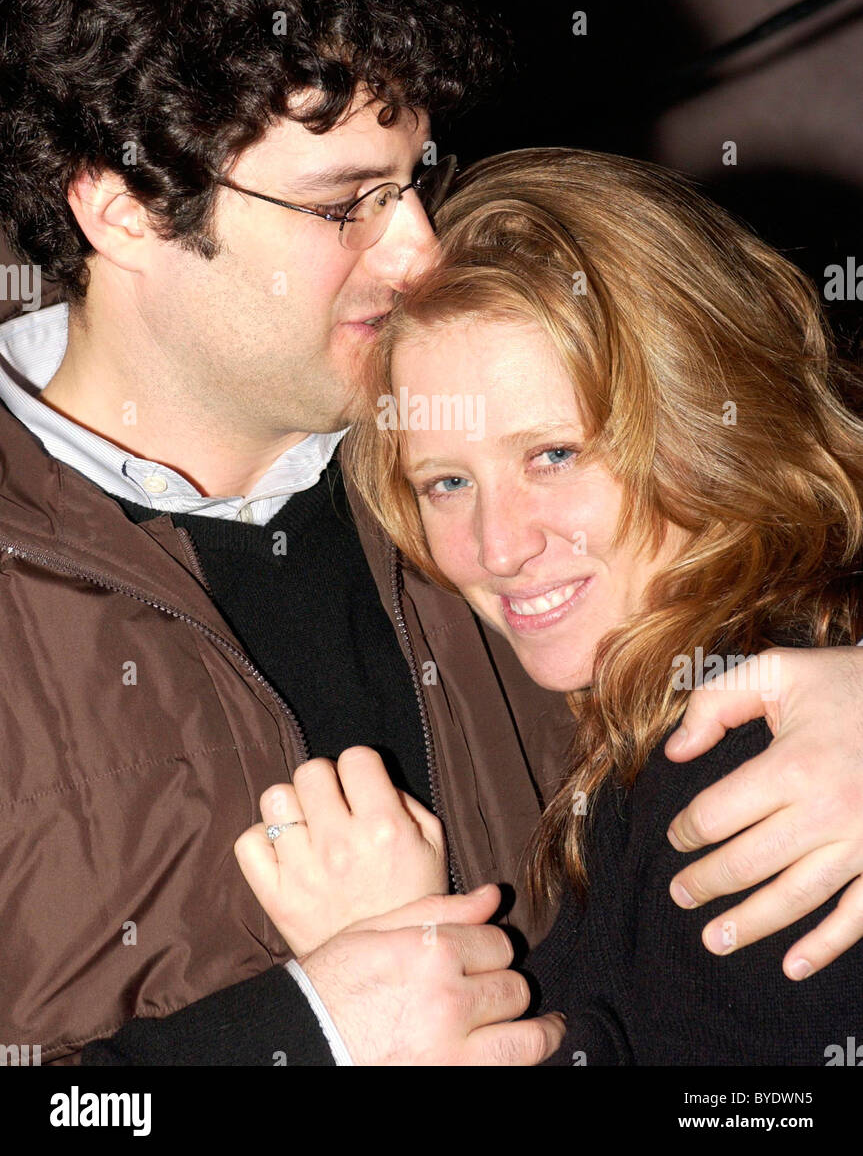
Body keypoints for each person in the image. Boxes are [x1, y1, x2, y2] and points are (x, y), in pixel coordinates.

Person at [0, 0, 860, 1069]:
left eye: (416, 180)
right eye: (347, 202)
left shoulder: (464, 447)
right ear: (124, 208)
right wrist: (305, 1038)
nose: (417, 250)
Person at [237, 147, 863, 1064]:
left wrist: (409, 983)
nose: (498, 547)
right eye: (447, 482)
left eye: (554, 455)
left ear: (707, 420)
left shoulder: (749, 757)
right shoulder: (689, 705)